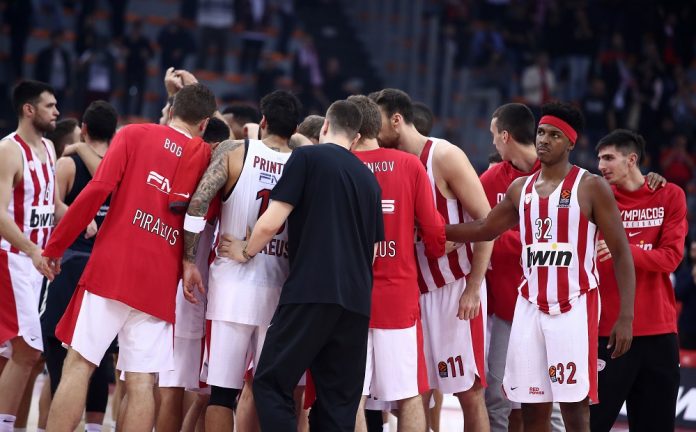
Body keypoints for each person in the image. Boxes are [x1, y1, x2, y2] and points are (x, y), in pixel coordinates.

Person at [445, 102, 636, 432]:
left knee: (574, 409)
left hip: (574, 307)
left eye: (554, 135)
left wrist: (626, 316)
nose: (545, 140)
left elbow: (621, 253)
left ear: (571, 142)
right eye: (542, 133)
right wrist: (435, 231)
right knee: (532, 408)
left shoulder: (590, 186)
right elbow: (485, 228)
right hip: (529, 308)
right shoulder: (520, 189)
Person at [38, 83, 217, 432]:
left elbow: (97, 190)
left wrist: (55, 246)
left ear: (171, 110)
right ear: (204, 123)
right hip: (160, 280)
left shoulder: (134, 134)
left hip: (112, 269)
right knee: (141, 382)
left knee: (79, 364)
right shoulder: (206, 158)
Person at [221, 100, 384, 431]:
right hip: (356, 301)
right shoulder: (369, 180)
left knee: (271, 382)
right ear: (356, 138)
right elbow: (374, 252)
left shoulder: (308, 157)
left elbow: (272, 221)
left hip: (312, 289)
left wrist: (245, 251)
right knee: (337, 402)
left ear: (325, 126)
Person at [370, 88, 493, 432]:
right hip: (411, 292)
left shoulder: (444, 155)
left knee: (469, 392)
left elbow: (488, 223)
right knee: (413, 393)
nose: (372, 131)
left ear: (396, 119)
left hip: (454, 288)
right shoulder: (389, 161)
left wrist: (473, 287)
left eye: (377, 122)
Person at [182, 90, 302, 432]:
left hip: (231, 287)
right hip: (280, 291)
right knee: (271, 394)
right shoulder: (304, 163)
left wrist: (189, 261)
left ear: (262, 121)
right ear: (294, 129)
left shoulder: (234, 151)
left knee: (222, 394)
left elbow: (197, 205)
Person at [349, 94, 445, 432]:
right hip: (397, 295)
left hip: (349, 295)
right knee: (409, 394)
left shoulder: (338, 165)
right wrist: (433, 248)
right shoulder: (409, 164)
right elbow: (434, 231)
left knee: (351, 394)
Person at [591, 129, 688, 432]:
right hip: (608, 331)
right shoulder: (595, 198)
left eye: (609, 158)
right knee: (591, 425)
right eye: (599, 159)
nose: (601, 165)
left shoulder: (670, 195)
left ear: (631, 160)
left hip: (659, 333)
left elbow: (670, 258)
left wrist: (622, 249)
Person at [41, 100, 118, 432]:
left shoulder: (68, 163)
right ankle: (94, 427)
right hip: (105, 268)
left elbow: (51, 205)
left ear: (83, 128)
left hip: (70, 263)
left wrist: (79, 215)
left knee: (58, 351)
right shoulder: (123, 166)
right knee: (98, 353)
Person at [156, 116, 230, 432]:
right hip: (189, 298)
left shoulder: (174, 173)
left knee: (175, 389)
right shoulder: (206, 188)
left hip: (166, 291)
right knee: (182, 391)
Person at [0, 80, 60, 431]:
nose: (56, 112)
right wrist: (33, 249)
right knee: (27, 351)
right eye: (50, 105)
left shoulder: (50, 148)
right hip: (12, 259)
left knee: (14, 356)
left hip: (37, 264)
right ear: (28, 109)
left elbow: (53, 205)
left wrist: (87, 222)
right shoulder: (9, 150)